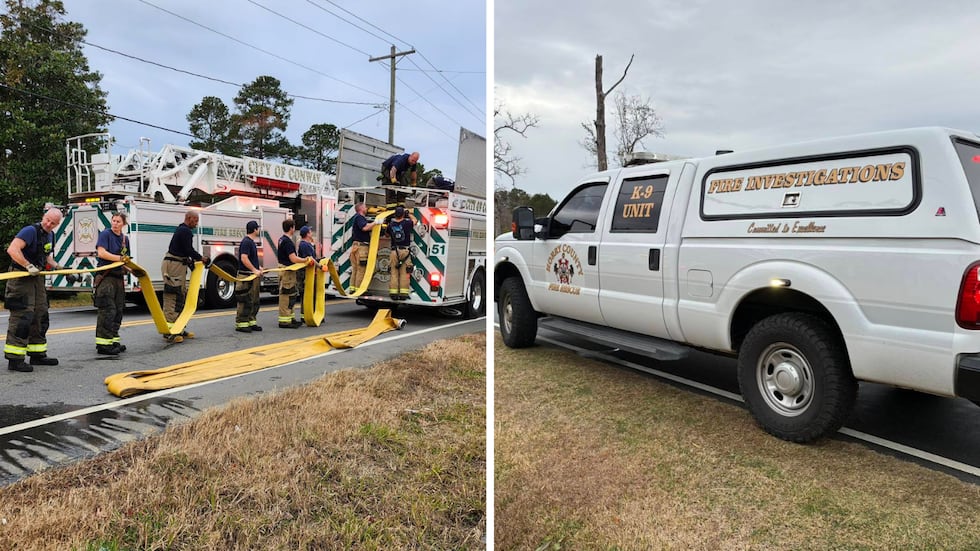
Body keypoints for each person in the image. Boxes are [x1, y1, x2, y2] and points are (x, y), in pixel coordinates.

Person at [4, 208, 71, 371]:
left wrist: (58, 267)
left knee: (41, 314)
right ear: (44, 217)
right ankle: (15, 359)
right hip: (21, 277)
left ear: (57, 224)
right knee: (22, 316)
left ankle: (37, 354)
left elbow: (46, 255)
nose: (49, 224)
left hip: (36, 277)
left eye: (53, 223)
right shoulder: (30, 231)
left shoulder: (50, 235)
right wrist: (27, 265)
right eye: (47, 220)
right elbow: (12, 249)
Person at [161, 211, 208, 343]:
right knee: (172, 297)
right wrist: (201, 258)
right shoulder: (185, 231)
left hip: (177, 265)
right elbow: (188, 250)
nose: (197, 222)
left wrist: (191, 263)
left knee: (180, 296)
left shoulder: (183, 230)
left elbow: (183, 251)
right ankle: (169, 332)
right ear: (189, 218)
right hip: (174, 266)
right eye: (196, 220)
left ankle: (179, 327)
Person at [94, 212, 131, 355]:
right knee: (107, 310)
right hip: (106, 277)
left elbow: (125, 260)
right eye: (113, 221)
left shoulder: (124, 239)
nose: (115, 224)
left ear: (123, 224)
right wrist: (119, 259)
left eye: (118, 222)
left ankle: (113, 340)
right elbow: (101, 253)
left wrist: (133, 270)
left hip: (118, 278)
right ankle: (103, 344)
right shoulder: (105, 235)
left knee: (118, 310)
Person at [277, 219, 314, 328]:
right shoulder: (287, 242)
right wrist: (305, 260)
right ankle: (284, 321)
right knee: (286, 296)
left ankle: (290, 318)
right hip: (287, 272)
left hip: (287, 271)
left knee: (291, 295)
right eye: (294, 227)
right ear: (291, 228)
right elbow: (293, 258)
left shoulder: (281, 239)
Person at [234, 220, 263, 333]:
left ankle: (251, 321)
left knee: (253, 300)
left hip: (252, 276)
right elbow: (244, 258)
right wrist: (254, 270)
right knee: (244, 300)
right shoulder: (246, 242)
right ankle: (241, 323)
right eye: (257, 228)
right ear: (255, 229)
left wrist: (259, 268)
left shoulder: (250, 242)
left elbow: (251, 259)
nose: (258, 230)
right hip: (246, 277)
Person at [386, 205, 415, 300]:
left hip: (394, 251)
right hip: (404, 251)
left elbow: (386, 235)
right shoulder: (407, 223)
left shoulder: (391, 225)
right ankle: (403, 294)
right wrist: (409, 214)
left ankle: (393, 293)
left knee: (393, 272)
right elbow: (415, 221)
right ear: (403, 214)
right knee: (405, 273)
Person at [349, 203, 379, 292]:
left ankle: (353, 289)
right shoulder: (359, 217)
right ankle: (360, 290)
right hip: (361, 248)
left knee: (355, 269)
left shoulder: (356, 217)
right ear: (361, 208)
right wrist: (376, 223)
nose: (367, 208)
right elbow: (365, 228)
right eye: (365, 207)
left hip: (355, 247)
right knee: (361, 270)